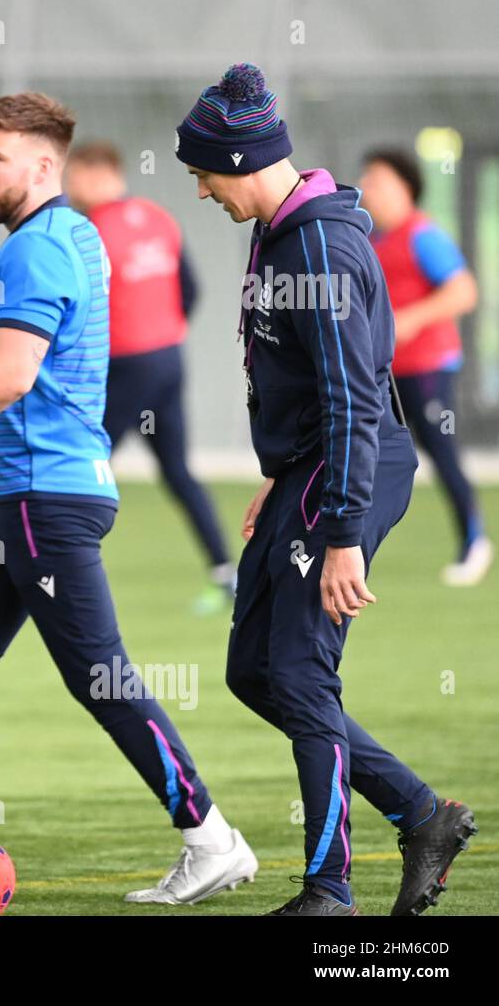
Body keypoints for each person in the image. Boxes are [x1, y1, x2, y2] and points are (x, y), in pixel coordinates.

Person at [0, 92, 257, 907]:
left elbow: (9, 378)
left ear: (44, 165)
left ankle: (213, 838)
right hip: (23, 497)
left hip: (42, 500)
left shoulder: (36, 251)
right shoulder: (70, 234)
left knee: (104, 680)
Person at [176, 63, 477, 915]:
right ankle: (422, 814)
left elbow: (350, 395)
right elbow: (299, 379)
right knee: (252, 670)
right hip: (308, 474)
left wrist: (341, 531)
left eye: (202, 172)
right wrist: (278, 482)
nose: (199, 190)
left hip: (351, 471)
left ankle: (329, 889)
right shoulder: (279, 229)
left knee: (302, 676)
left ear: (240, 159)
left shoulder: (321, 243)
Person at [66, 140, 234, 613]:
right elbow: (191, 290)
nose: (69, 186)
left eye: (74, 176)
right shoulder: (159, 217)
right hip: (169, 361)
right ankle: (225, 574)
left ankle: (54, 576)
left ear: (98, 175)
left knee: (80, 467)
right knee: (178, 472)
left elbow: (76, 312)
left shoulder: (88, 231)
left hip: (124, 368)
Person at [358, 148, 489, 586]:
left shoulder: (423, 235)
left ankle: (475, 542)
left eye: (376, 180)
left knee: (441, 452)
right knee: (370, 455)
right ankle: (351, 549)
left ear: (405, 187)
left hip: (429, 367)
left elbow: (464, 292)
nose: (367, 188)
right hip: (387, 371)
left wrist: (412, 318)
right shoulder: (374, 240)